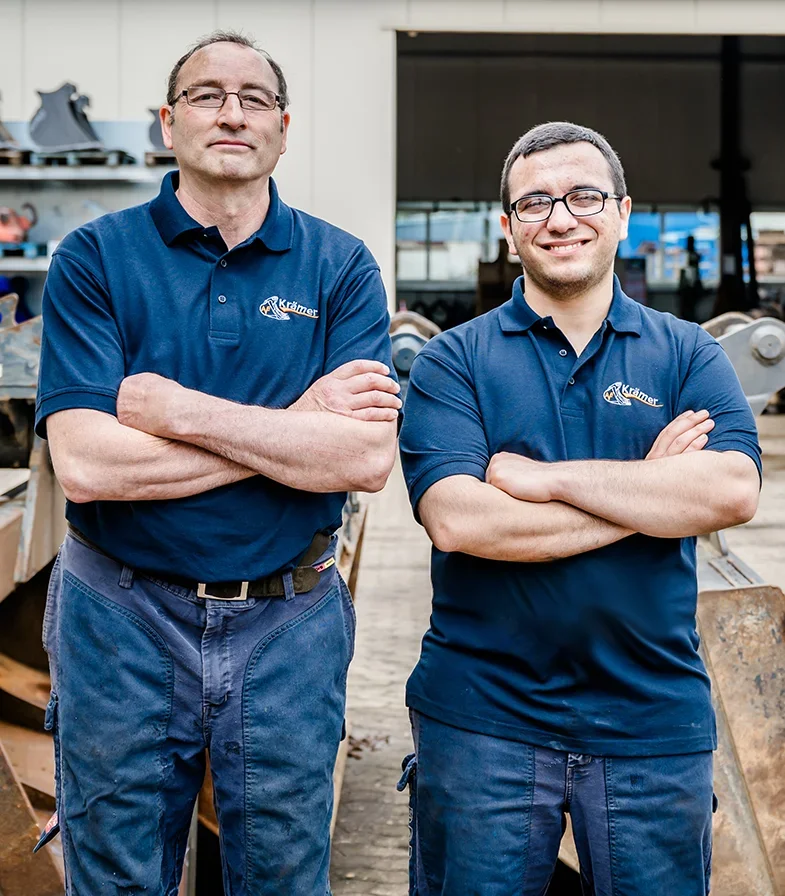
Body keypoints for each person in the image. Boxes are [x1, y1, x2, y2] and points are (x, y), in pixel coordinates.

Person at [36, 30, 400, 895]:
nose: (230, 112)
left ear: (282, 127)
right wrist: (291, 431)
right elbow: (87, 465)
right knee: (117, 874)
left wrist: (174, 413)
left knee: (280, 875)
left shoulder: (339, 266)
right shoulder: (95, 258)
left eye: (251, 98)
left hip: (288, 619)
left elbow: (361, 455)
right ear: (169, 123)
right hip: (122, 614)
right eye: (205, 95)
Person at [397, 121, 761, 895]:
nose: (559, 217)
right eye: (534, 203)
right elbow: (462, 520)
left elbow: (728, 491)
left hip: (649, 719)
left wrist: (543, 480)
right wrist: (651, 492)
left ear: (622, 212)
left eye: (583, 195)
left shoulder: (687, 353)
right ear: (507, 229)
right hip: (481, 718)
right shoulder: (451, 362)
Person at [678, 233, 704, 322]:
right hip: (687, 286)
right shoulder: (689, 255)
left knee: (690, 309)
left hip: (691, 286)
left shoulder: (691, 255)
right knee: (686, 309)